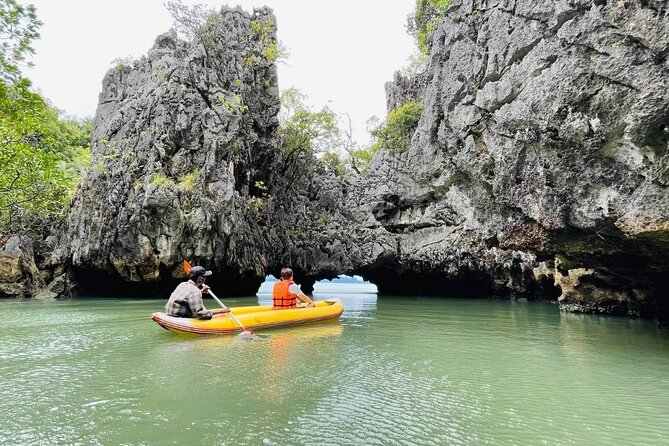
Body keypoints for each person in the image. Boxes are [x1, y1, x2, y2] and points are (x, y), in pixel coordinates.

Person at [164, 265, 229, 319]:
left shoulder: (182, 284)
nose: (205, 279)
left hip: (170, 313)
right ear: (200, 279)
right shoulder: (195, 291)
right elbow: (200, 314)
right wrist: (221, 311)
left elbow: (188, 296)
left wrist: (201, 291)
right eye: (204, 277)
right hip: (178, 316)